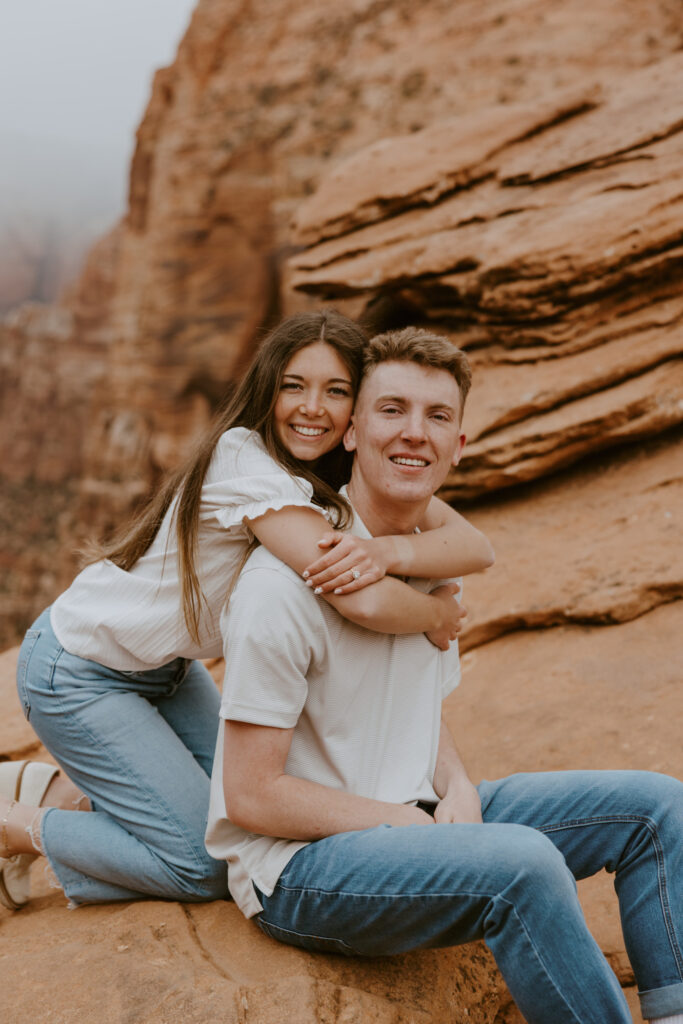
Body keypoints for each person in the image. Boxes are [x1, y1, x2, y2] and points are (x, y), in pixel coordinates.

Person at [206, 327, 683, 1024]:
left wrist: (455, 786)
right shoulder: (284, 585)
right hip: (301, 872)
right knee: (522, 864)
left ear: (458, 445)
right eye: (391, 409)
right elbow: (250, 796)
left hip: (413, 819)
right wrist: (403, 822)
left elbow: (414, 705)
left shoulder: (428, 574)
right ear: (350, 431)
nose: (413, 434)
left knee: (657, 808)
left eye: (436, 416)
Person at [1, 311, 494, 912]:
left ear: (356, 415)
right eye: (294, 386)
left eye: (336, 391)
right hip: (78, 670)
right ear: (267, 389)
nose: (312, 407)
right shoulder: (244, 461)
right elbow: (359, 597)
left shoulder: (325, 474)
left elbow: (476, 546)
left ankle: (46, 787)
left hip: (166, 672)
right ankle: (16, 828)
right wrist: (433, 616)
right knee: (201, 862)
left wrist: (390, 548)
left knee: (233, 815)